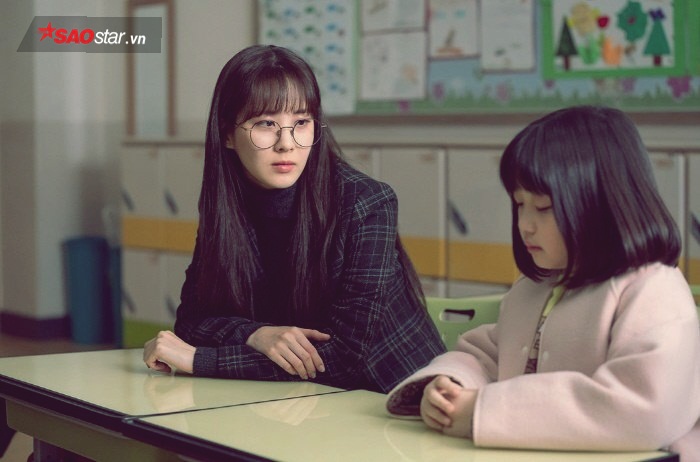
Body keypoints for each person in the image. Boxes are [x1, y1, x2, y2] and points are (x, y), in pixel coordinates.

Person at [385, 106, 700, 459]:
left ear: (603, 204)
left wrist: (481, 412)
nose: (525, 225)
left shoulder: (653, 289)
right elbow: (487, 355)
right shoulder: (535, 288)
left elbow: (644, 409)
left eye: (544, 208)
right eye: (520, 205)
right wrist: (450, 388)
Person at [143, 44, 445, 393]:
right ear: (227, 134)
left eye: (301, 123)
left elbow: (344, 357)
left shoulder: (366, 203)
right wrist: (256, 334)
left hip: (396, 399)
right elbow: (193, 320)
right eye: (266, 123)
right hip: (297, 400)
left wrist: (200, 360)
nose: (286, 143)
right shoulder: (228, 206)